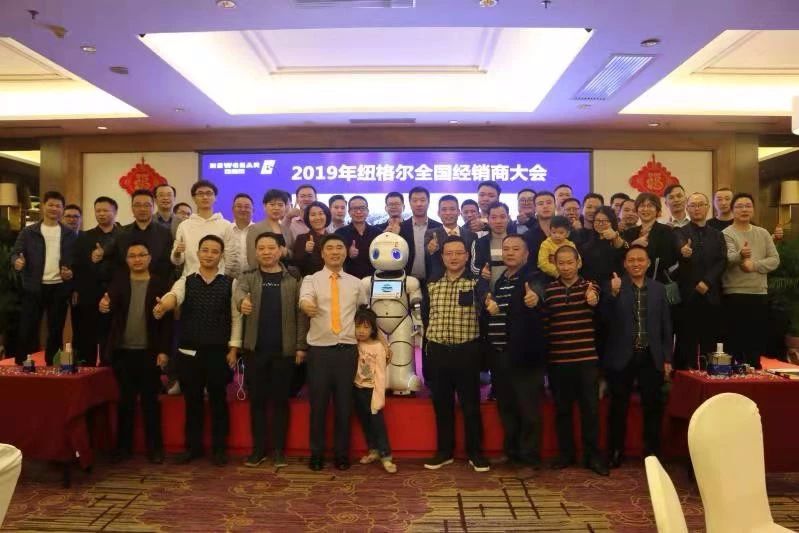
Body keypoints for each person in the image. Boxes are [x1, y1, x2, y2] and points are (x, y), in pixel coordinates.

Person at [154, 235, 242, 466]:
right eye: (205, 250)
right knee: (192, 401)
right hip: (189, 352)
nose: (209, 255)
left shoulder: (230, 283)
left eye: (214, 251)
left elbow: (236, 318)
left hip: (218, 352)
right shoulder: (186, 281)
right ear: (198, 253)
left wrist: (233, 349)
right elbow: (173, 297)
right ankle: (193, 448)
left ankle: (219, 449)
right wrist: (164, 305)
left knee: (218, 401)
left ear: (221, 256)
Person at [235, 232, 309, 468]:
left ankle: (278, 450)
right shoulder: (248, 276)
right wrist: (242, 302)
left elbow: (300, 315)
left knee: (280, 402)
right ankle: (258, 450)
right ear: (256, 252)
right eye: (261, 248)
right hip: (255, 350)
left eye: (271, 248)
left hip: (284, 351)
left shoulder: (293, 278)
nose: (266, 252)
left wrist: (300, 346)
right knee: (257, 402)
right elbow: (239, 293)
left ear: (280, 250)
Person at [299, 234, 369, 471]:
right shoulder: (311, 280)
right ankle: (316, 454)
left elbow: (363, 312)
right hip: (319, 352)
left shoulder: (356, 283)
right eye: (330, 248)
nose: (335, 252)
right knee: (318, 406)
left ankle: (341, 454)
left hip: (347, 352)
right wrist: (307, 305)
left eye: (340, 247)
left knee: (344, 406)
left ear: (346, 252)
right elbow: (304, 300)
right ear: (322, 253)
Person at [100, 241, 173, 464]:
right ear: (126, 260)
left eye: (142, 255)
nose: (137, 259)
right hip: (123, 352)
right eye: (132, 255)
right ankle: (123, 448)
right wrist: (103, 306)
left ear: (149, 258)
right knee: (125, 403)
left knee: (151, 402)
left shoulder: (160, 284)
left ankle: (155, 449)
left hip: (149, 352)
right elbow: (107, 307)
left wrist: (164, 351)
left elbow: (167, 323)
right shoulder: (119, 282)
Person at [423, 236, 490, 473]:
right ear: (442, 257)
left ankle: (475, 452)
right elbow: (426, 316)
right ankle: (444, 452)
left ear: (467, 256)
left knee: (470, 405)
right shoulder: (432, 284)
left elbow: (485, 313)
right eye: (448, 253)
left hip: (467, 351)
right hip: (438, 351)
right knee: (442, 405)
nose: (453, 257)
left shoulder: (476, 283)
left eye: (458, 253)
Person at [540, 246, 608, 476]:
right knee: (562, 411)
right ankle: (566, 454)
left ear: (578, 262)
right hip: (558, 361)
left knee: (590, 411)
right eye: (561, 263)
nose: (566, 267)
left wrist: (593, 299)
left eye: (570, 262)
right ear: (555, 264)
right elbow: (546, 326)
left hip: (586, 359)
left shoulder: (590, 286)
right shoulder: (549, 291)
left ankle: (592, 456)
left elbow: (598, 306)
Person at [603, 245, 673, 467]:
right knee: (618, 407)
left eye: (640, 260)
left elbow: (666, 325)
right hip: (621, 356)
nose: (636, 264)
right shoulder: (614, 286)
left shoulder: (659, 289)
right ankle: (615, 451)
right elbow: (603, 320)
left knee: (653, 407)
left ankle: (651, 452)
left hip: (651, 356)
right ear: (625, 263)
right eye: (631, 260)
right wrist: (613, 294)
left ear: (648, 263)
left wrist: (667, 358)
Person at [480, 235, 546, 467]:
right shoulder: (501, 281)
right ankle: (512, 452)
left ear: (526, 254)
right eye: (506, 248)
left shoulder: (533, 277)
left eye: (516, 249)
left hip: (524, 355)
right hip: (500, 355)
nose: (509, 253)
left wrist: (535, 299)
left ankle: (530, 459)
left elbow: (538, 296)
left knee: (528, 410)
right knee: (506, 407)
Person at [12, 191, 77, 364]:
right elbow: (16, 253)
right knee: (27, 327)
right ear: (43, 206)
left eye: (58, 206)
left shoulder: (70, 234)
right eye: (51, 205)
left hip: (59, 287)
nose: (54, 209)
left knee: (56, 329)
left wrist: (71, 273)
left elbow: (76, 261)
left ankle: (52, 363)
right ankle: (21, 363)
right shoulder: (29, 232)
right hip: (34, 286)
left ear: (62, 209)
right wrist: (17, 261)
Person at [721, 193, 780, 368]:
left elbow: (774, 260)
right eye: (739, 206)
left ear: (753, 209)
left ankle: (754, 371)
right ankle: (734, 375)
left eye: (748, 206)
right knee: (735, 337)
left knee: (756, 337)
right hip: (734, 292)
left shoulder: (762, 233)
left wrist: (754, 265)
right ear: (732, 210)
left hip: (759, 291)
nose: (744, 209)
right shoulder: (726, 233)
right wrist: (741, 255)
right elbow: (727, 259)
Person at [673, 193, 727, 369]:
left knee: (710, 336)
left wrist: (707, 282)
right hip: (688, 293)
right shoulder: (679, 232)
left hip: (711, 293)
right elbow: (680, 252)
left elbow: (722, 261)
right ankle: (685, 374)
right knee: (686, 337)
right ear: (687, 208)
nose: (697, 208)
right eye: (693, 205)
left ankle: (708, 372)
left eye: (700, 204)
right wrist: (684, 252)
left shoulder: (717, 235)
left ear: (708, 207)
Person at [72, 196, 121, 365]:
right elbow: (78, 265)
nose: (101, 214)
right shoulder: (84, 236)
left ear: (115, 212)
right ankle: (87, 371)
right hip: (90, 292)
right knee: (88, 336)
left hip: (115, 291)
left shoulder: (123, 235)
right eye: (98, 210)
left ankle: (109, 370)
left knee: (112, 335)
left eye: (105, 210)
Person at [352, 306, 397, 474]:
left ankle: (386, 456)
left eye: (366, 327)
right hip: (357, 389)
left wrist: (378, 398)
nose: (361, 331)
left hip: (372, 391)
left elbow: (380, 375)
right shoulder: (355, 343)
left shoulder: (378, 347)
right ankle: (373, 451)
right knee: (365, 422)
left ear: (373, 329)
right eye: (358, 326)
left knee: (377, 424)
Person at [172, 180, 241, 278]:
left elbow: (231, 258)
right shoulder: (184, 226)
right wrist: (177, 253)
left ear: (215, 197)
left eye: (209, 193)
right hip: (190, 279)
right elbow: (177, 261)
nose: (205, 197)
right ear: (194, 198)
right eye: (200, 194)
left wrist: (222, 279)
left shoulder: (226, 225)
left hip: (218, 280)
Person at [101, 189, 174, 280]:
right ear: (132, 208)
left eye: (147, 205)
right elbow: (116, 263)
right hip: (127, 284)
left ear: (153, 207)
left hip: (158, 285)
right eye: (138, 205)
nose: (142, 209)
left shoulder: (165, 233)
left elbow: (169, 264)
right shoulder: (121, 233)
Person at [621, 192, 679, 284]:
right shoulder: (629, 232)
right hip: (631, 283)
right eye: (642, 206)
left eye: (650, 206)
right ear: (637, 210)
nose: (645, 209)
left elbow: (668, 260)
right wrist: (634, 244)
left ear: (657, 210)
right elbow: (622, 256)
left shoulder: (666, 231)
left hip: (657, 283)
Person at [425, 195, 476, 281]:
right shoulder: (431, 233)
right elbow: (425, 253)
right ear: (438, 213)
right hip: (439, 281)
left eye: (452, 209)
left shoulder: (471, 235)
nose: (448, 213)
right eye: (444, 210)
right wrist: (430, 250)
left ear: (458, 212)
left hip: (466, 281)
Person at [334, 195, 382, 279]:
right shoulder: (339, 234)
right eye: (354, 209)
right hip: (349, 280)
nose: (359, 212)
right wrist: (348, 254)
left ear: (367, 211)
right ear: (349, 212)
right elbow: (334, 258)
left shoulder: (377, 233)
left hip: (374, 279)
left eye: (362, 208)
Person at [400, 186, 442, 282]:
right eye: (415, 201)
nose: (419, 204)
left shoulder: (439, 227)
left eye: (423, 200)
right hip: (406, 280)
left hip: (432, 281)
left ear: (428, 202)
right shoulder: (401, 228)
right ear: (410, 203)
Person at [246, 189, 293, 270]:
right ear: (264, 206)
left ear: (285, 207)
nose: (276, 208)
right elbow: (252, 258)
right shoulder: (255, 228)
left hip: (285, 273)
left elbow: (293, 253)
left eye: (280, 205)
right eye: (272, 204)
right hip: (262, 274)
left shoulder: (287, 230)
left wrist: (286, 252)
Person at [579, 206, 626, 286]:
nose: (600, 223)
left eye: (605, 221)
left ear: (612, 222)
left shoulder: (619, 237)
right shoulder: (586, 237)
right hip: (589, 286)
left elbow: (625, 250)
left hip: (612, 285)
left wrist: (615, 237)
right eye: (597, 220)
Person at [471, 202, 511, 290]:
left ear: (508, 218)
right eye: (493, 217)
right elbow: (473, 266)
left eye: (502, 217)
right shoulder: (479, 243)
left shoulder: (517, 241)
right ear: (488, 220)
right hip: (488, 292)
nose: (498, 221)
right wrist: (481, 271)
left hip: (514, 290)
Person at [293, 201, 331, 276]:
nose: (317, 218)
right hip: (311, 280)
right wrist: (307, 252)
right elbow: (296, 265)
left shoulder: (333, 238)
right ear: (308, 218)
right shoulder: (302, 238)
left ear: (326, 216)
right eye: (313, 215)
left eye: (321, 213)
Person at [524, 190, 556, 272]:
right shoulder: (528, 236)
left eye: (549, 203)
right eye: (540, 204)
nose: (545, 206)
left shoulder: (567, 232)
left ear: (555, 205)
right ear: (535, 208)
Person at [537, 215, 576, 280]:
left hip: (569, 274)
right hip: (549, 276)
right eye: (554, 232)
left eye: (561, 233)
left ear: (567, 233)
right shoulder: (545, 244)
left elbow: (578, 261)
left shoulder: (570, 245)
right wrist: (558, 272)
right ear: (550, 231)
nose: (557, 236)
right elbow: (542, 263)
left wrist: (570, 271)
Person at [230, 193, 255, 262]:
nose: (243, 209)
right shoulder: (226, 230)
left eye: (247, 207)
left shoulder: (258, 231)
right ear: (232, 209)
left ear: (253, 210)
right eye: (239, 206)